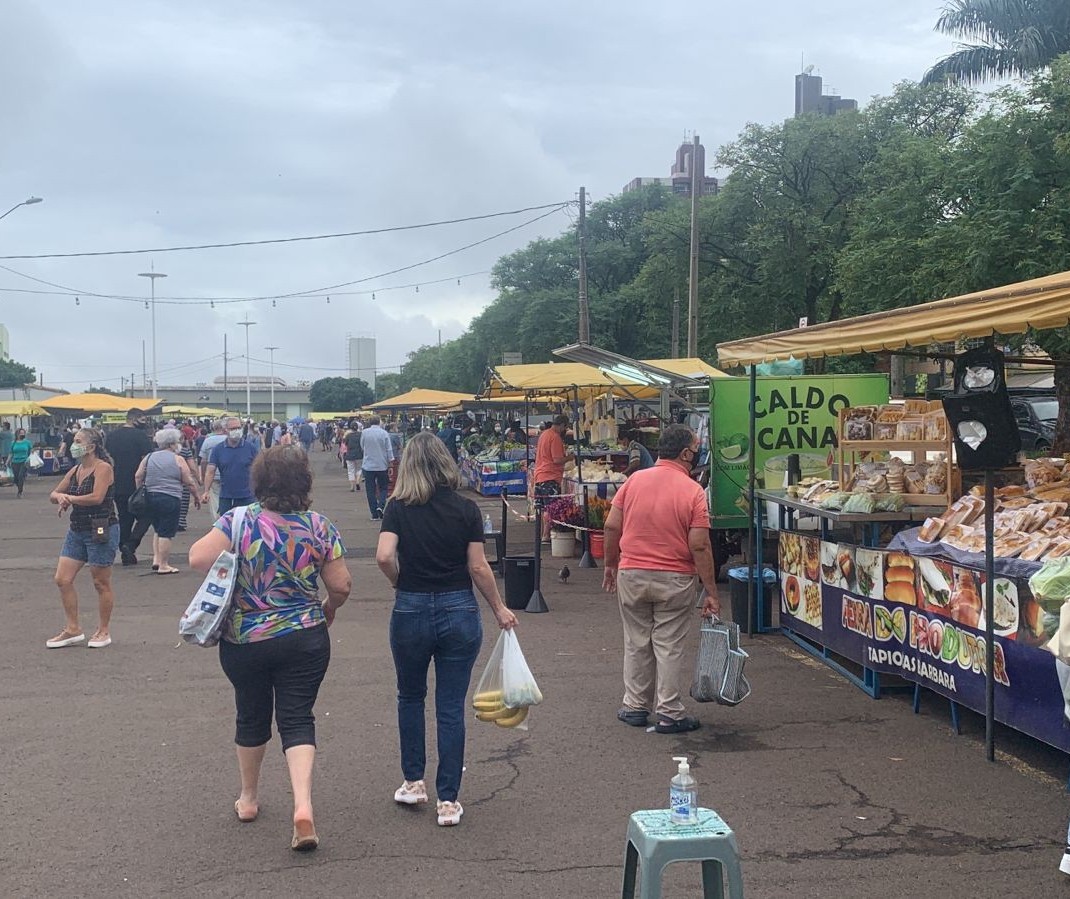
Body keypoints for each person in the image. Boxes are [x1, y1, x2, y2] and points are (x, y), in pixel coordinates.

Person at [189, 446, 351, 852]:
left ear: (258, 481)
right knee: (298, 718)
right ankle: (303, 805)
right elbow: (342, 584)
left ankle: (248, 797)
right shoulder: (319, 526)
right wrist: (329, 607)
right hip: (304, 635)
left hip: (245, 638)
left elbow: (196, 558)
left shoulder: (237, 521)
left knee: (251, 713)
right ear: (305, 480)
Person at [375, 432, 517, 827]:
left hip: (411, 607)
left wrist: (398, 581)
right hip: (458, 608)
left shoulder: (397, 508)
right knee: (451, 706)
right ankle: (449, 801)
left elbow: (384, 556)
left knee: (410, 696)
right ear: (444, 462)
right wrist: (500, 607)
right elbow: (477, 566)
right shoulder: (466, 509)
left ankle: (413, 781)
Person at [601, 424, 721, 734]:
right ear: (685, 454)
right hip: (675, 578)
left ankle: (635, 706)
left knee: (636, 641)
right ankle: (669, 711)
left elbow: (612, 527)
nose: (697, 455)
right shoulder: (693, 491)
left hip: (631, 574)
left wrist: (611, 565)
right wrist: (711, 590)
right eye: (695, 450)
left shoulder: (635, 481)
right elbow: (699, 544)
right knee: (668, 645)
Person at [46, 428, 119, 649]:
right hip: (77, 529)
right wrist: (62, 497)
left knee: (100, 581)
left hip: (100, 528)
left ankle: (103, 630)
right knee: (62, 578)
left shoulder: (103, 468)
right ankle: (73, 628)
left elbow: (97, 497)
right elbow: (54, 494)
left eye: (78, 441)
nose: (72, 445)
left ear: (91, 446)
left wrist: (69, 498)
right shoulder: (76, 469)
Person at [131, 428, 201, 574]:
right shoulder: (178, 459)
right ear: (172, 444)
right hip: (170, 497)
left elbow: (138, 475)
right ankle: (164, 565)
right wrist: (196, 496)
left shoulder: (149, 457)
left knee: (157, 529)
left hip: (150, 496)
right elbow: (189, 481)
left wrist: (141, 490)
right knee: (166, 533)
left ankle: (156, 560)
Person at [106, 408, 155, 565]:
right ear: (134, 418)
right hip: (137, 483)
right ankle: (131, 544)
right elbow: (147, 459)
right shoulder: (141, 436)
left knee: (124, 517)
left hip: (117, 482)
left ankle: (124, 549)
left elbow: (107, 457)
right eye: (143, 419)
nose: (145, 422)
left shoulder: (111, 436)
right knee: (147, 515)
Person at [202, 417, 259, 516]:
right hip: (226, 497)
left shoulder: (251, 448)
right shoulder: (218, 449)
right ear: (225, 430)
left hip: (247, 496)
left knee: (248, 525)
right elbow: (210, 471)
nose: (236, 431)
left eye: (238, 427)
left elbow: (259, 470)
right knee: (225, 526)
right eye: (232, 429)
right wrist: (206, 491)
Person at [533, 414, 574, 541]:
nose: (565, 430)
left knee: (541, 508)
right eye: (565, 428)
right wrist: (570, 457)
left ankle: (540, 535)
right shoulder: (555, 437)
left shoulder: (544, 434)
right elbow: (557, 460)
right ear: (562, 425)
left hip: (540, 475)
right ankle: (546, 535)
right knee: (551, 508)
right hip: (550, 476)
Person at [360, 416, 394, 520]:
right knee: (383, 488)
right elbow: (389, 449)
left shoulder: (364, 432)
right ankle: (381, 506)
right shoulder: (384, 433)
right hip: (382, 464)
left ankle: (374, 514)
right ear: (379, 422)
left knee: (370, 490)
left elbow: (362, 446)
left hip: (368, 465)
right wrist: (391, 463)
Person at [198, 419, 228, 519]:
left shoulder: (208, 441)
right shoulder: (229, 439)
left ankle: (217, 521)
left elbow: (203, 461)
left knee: (215, 499)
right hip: (227, 474)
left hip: (212, 474)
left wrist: (202, 476)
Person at [9, 426, 34, 498]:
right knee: (16, 478)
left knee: (20, 476)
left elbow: (31, 451)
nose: (22, 434)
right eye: (21, 433)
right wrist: (7, 462)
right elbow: (11, 453)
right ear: (17, 434)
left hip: (24, 461)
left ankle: (20, 491)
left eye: (23, 433)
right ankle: (19, 486)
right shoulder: (13, 443)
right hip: (14, 462)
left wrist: (30, 457)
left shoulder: (27, 442)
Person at [342, 426, 363, 492]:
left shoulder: (348, 435)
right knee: (359, 469)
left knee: (350, 470)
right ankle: (357, 481)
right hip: (359, 455)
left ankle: (352, 486)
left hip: (350, 454)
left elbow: (345, 443)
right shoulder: (361, 435)